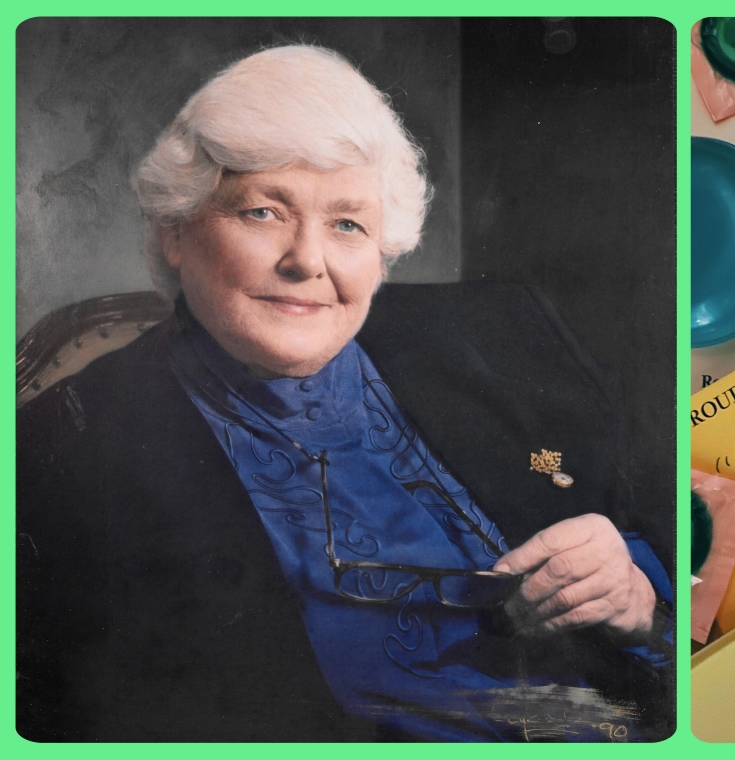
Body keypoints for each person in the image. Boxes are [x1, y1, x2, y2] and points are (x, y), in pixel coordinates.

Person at [15, 45, 674, 742]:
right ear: (176, 230)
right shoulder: (62, 454)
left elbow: (670, 546)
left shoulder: (500, 336)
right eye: (263, 212)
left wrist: (639, 600)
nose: (308, 259)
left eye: (347, 223)